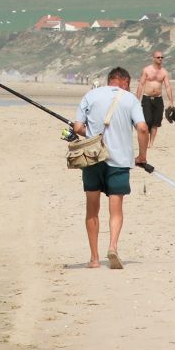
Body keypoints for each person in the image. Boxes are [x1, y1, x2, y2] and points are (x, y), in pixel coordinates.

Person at [72, 67, 148, 269]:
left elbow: (78, 127)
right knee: (116, 209)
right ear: (123, 81)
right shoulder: (131, 99)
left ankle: (94, 258)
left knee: (92, 209)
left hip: (92, 158)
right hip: (120, 160)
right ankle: (113, 246)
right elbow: (142, 128)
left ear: (109, 80)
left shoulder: (91, 95)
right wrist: (142, 156)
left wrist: (90, 131)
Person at [135, 50, 174, 148]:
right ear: (153, 58)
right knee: (147, 120)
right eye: (158, 57)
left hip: (158, 99)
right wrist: (136, 99)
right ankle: (145, 139)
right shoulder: (147, 70)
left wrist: (171, 102)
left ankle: (151, 144)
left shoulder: (164, 72)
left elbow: (168, 86)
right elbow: (141, 84)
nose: (160, 59)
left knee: (156, 122)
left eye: (162, 57)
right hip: (147, 98)